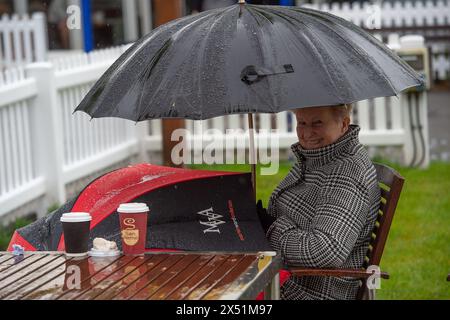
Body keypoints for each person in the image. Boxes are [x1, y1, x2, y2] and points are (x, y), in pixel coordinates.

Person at [257, 104, 380, 300]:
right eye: (301, 123)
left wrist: (271, 227)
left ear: (344, 124)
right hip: (285, 276)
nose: (306, 133)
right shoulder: (320, 158)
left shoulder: (347, 173)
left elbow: (326, 249)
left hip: (307, 291)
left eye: (317, 123)